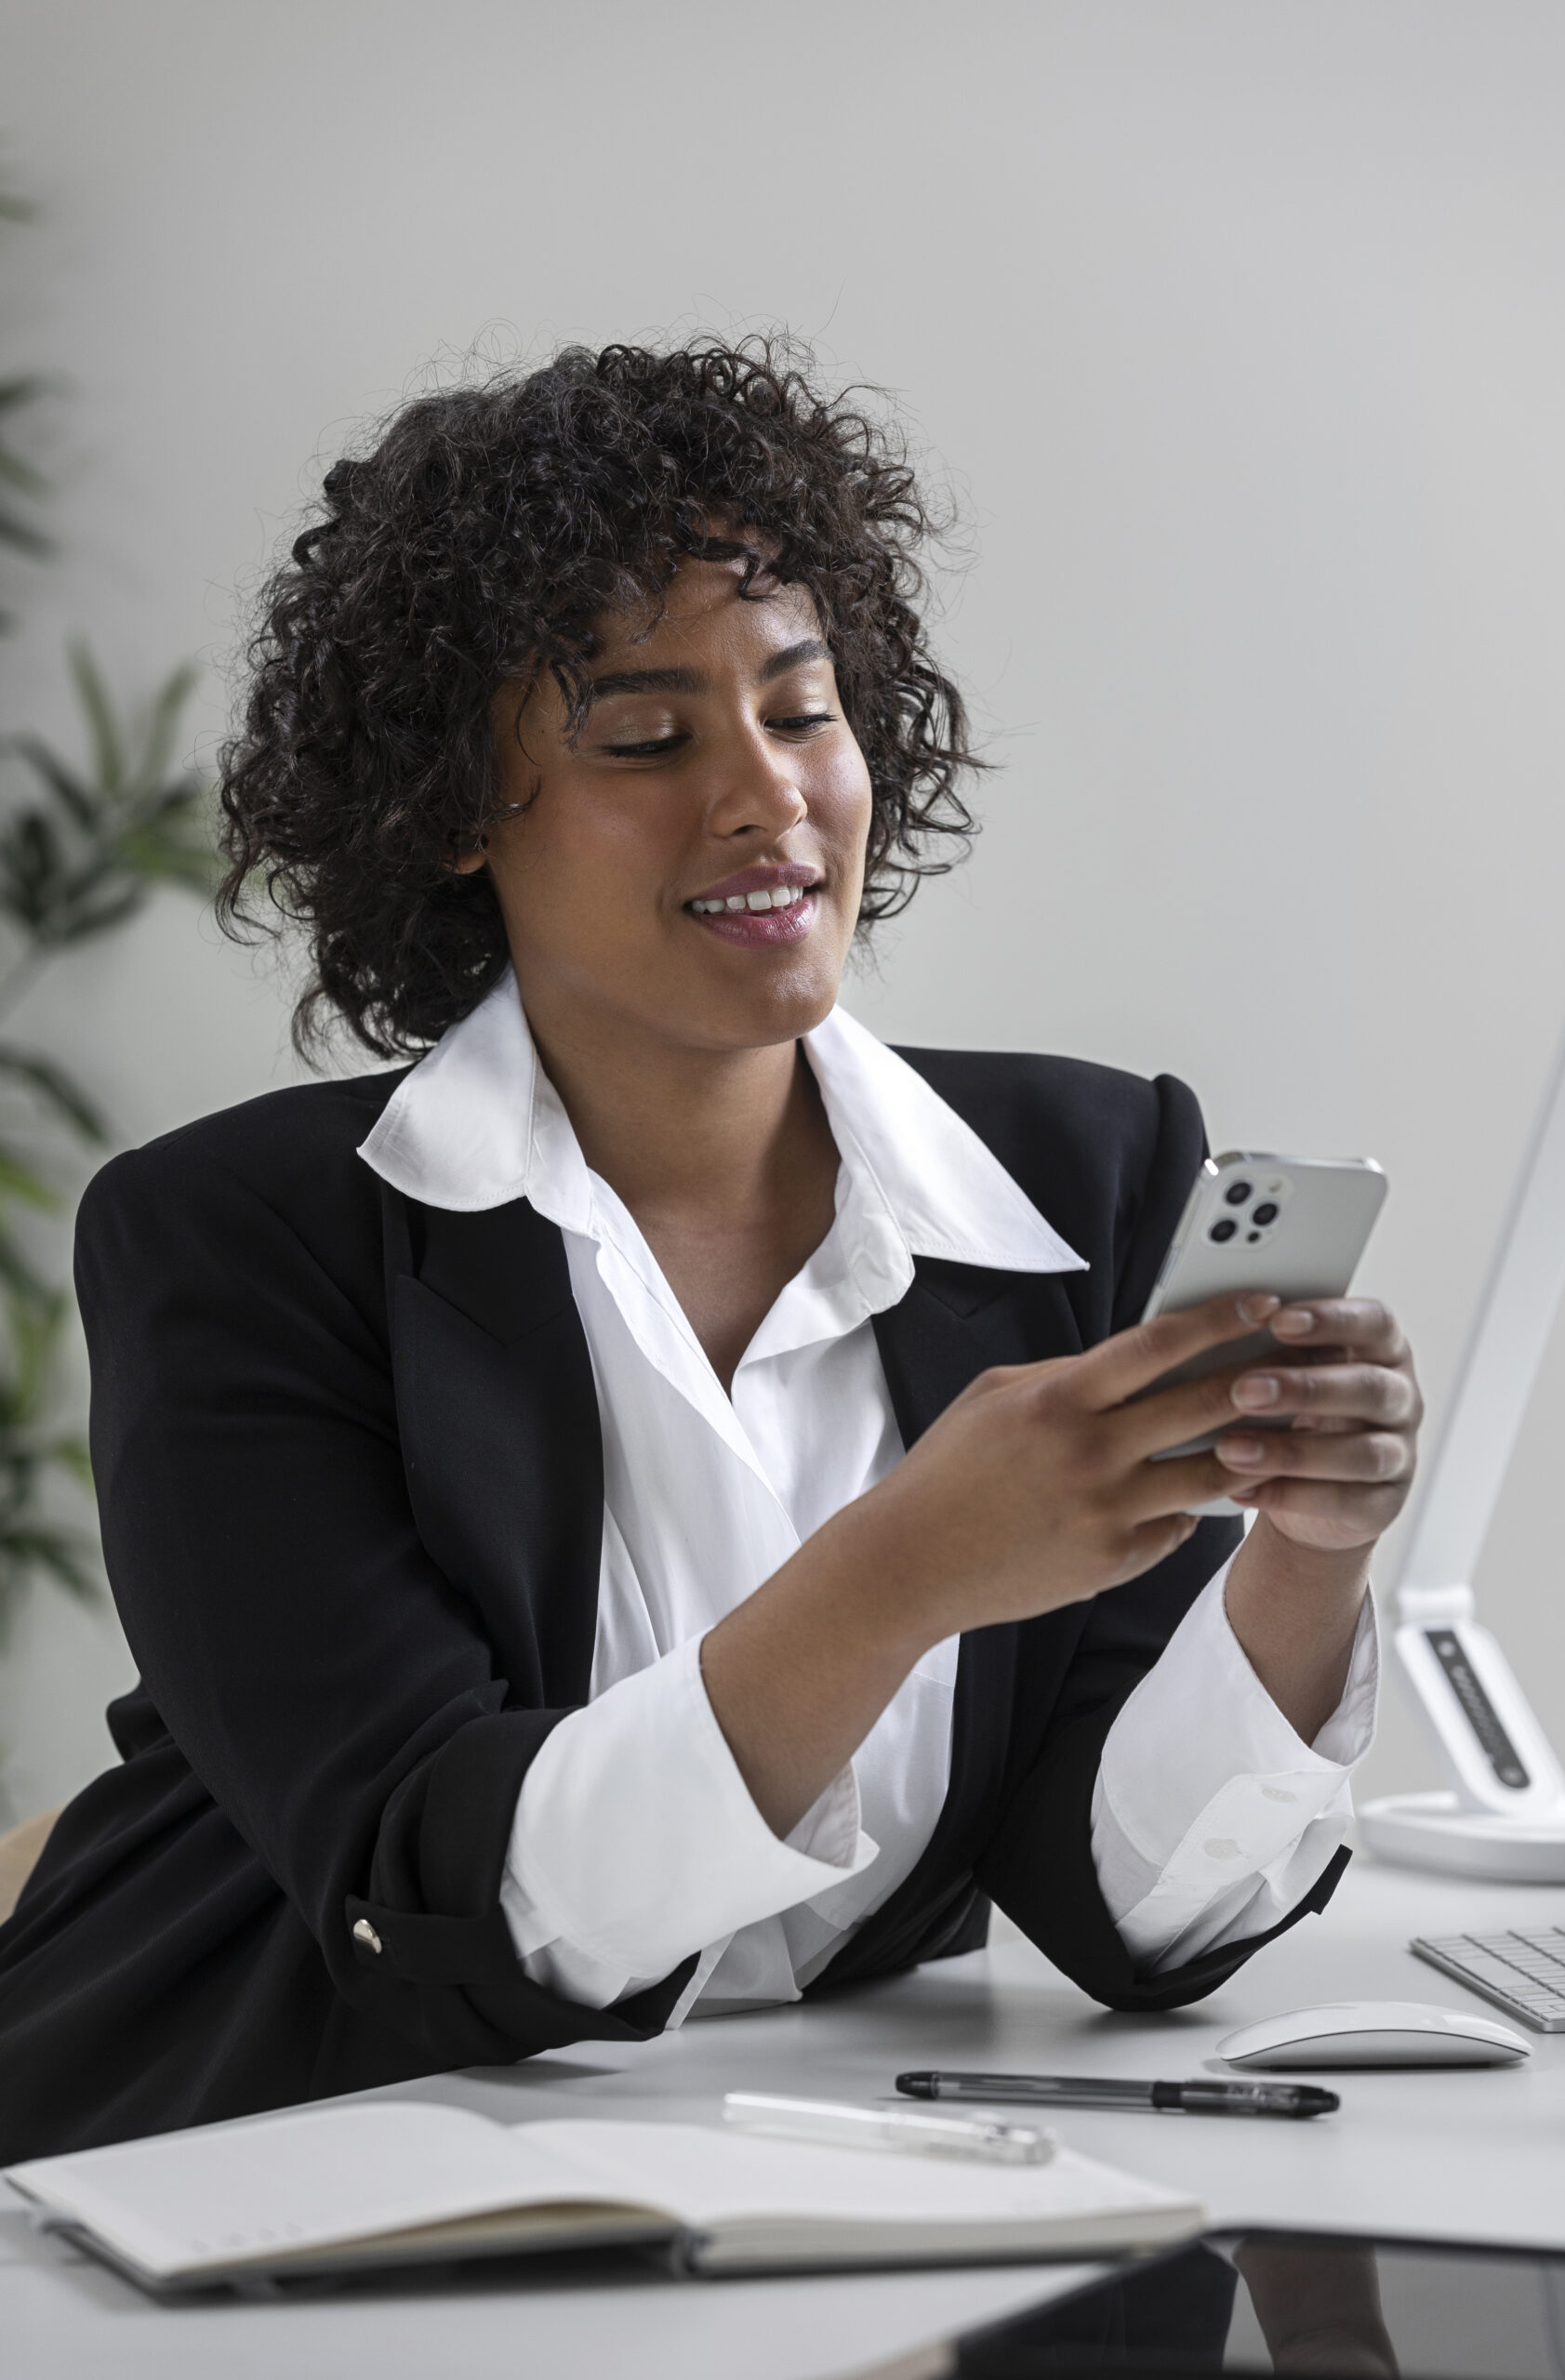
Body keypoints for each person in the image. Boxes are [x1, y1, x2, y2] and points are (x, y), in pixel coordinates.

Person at [0, 341, 1420, 2159]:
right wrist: (900, 1570)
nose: (763, 798)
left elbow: (1120, 1908)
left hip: (804, 2205)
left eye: (802, 709)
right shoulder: (235, 1240)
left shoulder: (1083, 1170)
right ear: (451, 808)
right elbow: (445, 1905)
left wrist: (1300, 1563)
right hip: (265, 2174)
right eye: (647, 736)